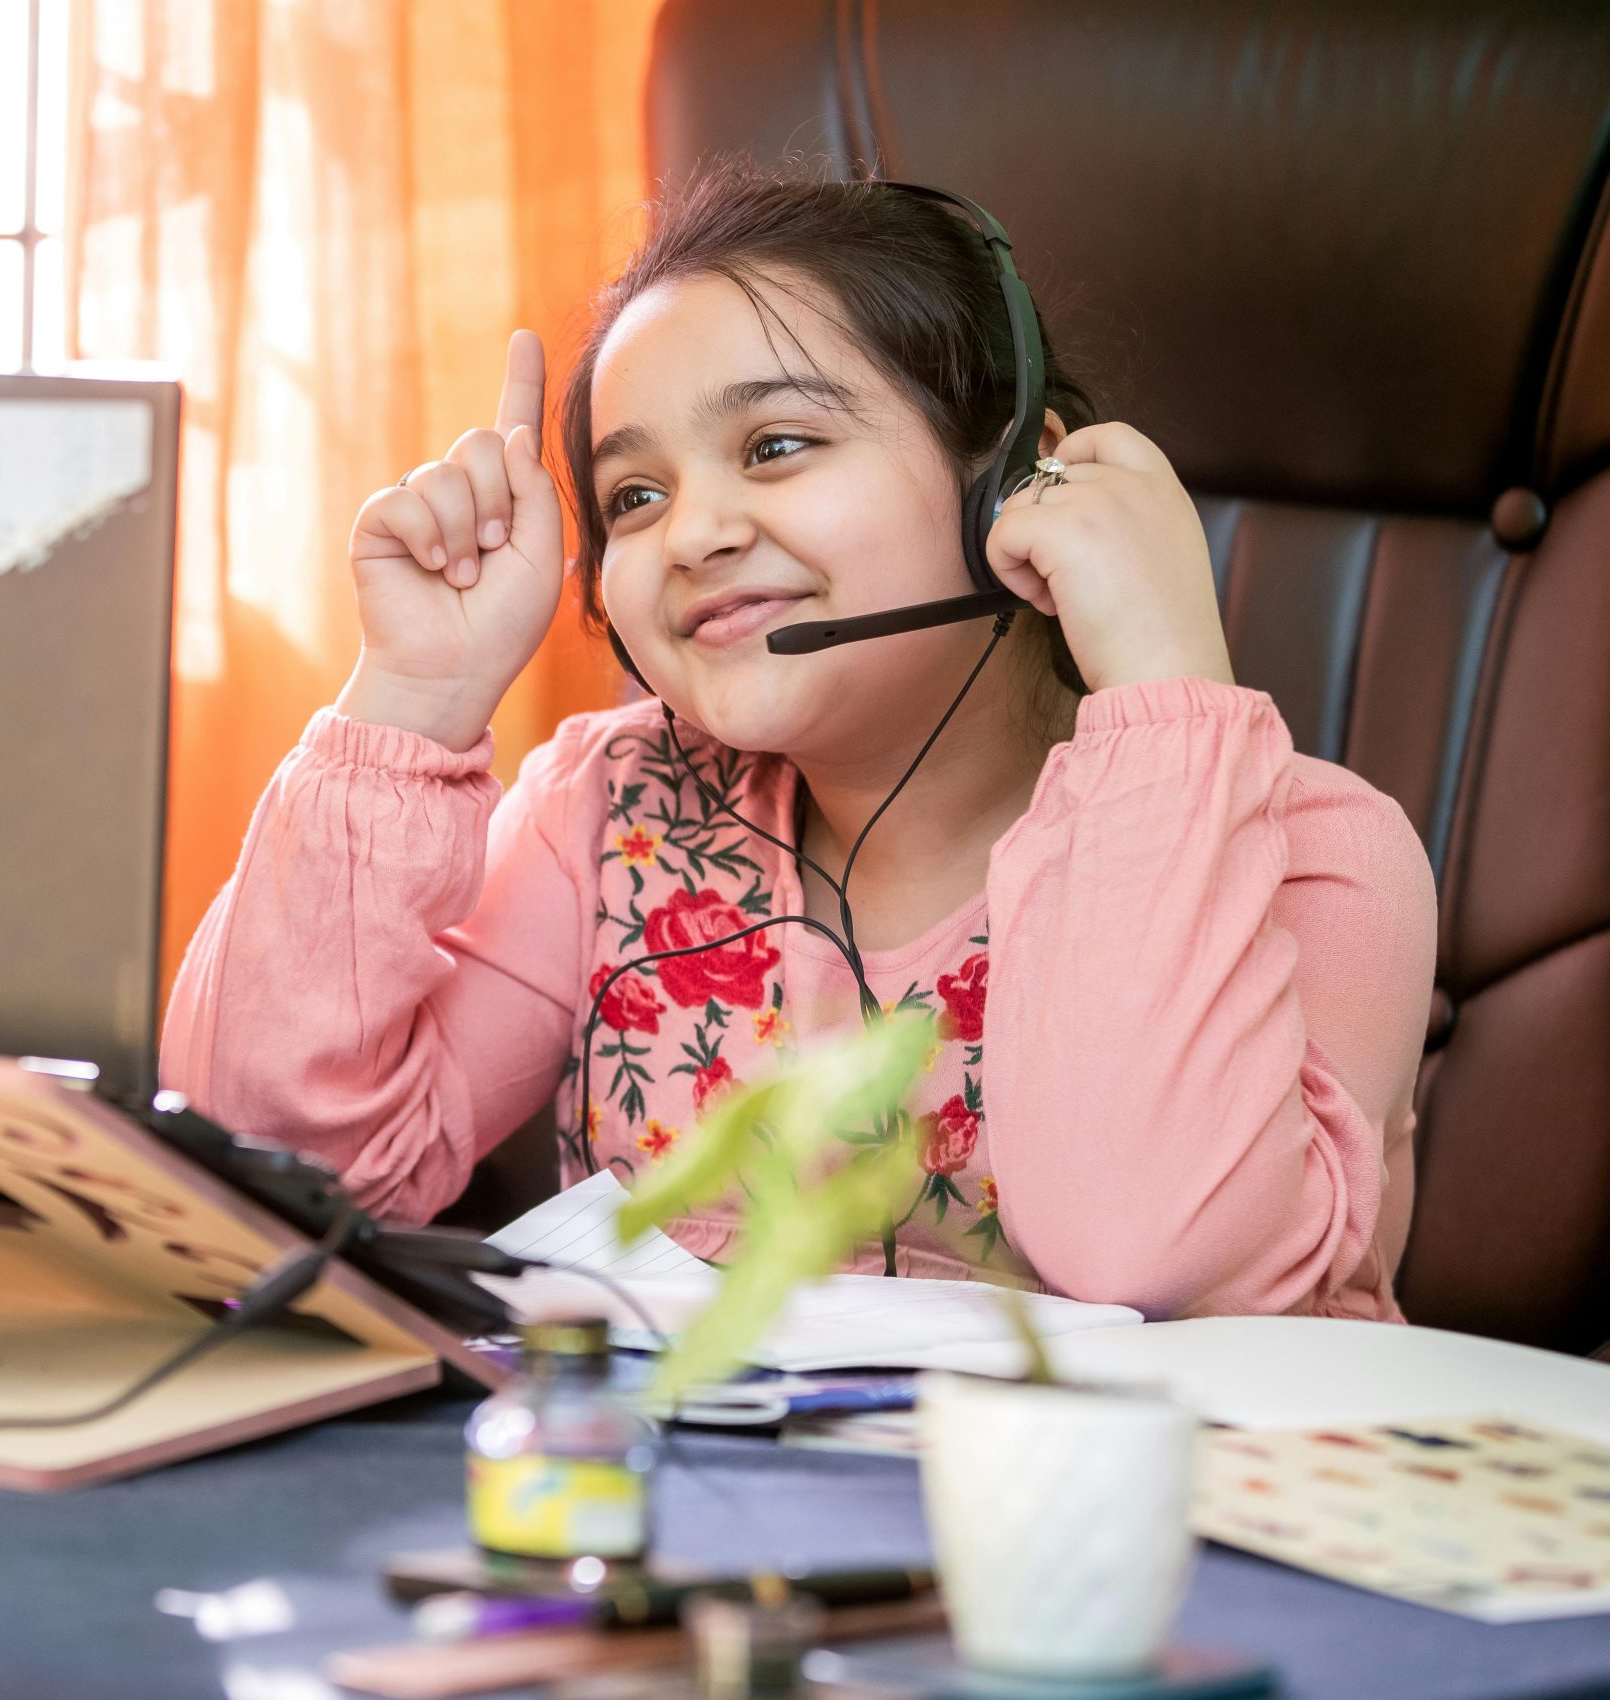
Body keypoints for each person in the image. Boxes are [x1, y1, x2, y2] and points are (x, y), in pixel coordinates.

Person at [161, 163, 1436, 1320]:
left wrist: (1158, 684)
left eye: (776, 445)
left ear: (1018, 486)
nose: (693, 532)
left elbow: (1154, 1255)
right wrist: (413, 689)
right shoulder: (607, 816)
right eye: (634, 496)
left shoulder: (1316, 861)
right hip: (693, 1541)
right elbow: (276, 1173)